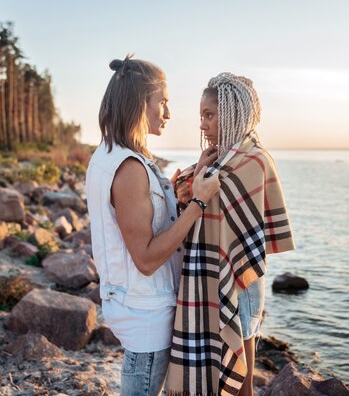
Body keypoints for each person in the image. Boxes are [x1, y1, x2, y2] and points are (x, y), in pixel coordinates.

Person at [86, 55, 221, 396]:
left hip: (133, 304)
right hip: (147, 313)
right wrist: (199, 204)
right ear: (138, 104)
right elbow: (145, 259)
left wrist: (185, 182)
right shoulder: (129, 168)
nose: (168, 113)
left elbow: (140, 217)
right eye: (162, 102)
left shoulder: (110, 153)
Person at [165, 72, 295, 396]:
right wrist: (196, 171)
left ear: (232, 114)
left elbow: (242, 224)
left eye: (209, 115)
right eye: (201, 116)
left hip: (241, 278)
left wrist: (198, 181)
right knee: (220, 367)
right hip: (213, 272)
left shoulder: (254, 160)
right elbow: (195, 204)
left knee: (244, 382)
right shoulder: (217, 159)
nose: (202, 124)